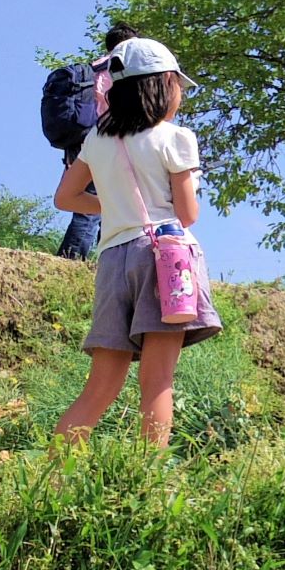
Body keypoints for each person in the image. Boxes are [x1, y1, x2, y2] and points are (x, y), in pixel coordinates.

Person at [49, 36, 219, 447]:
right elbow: (187, 213)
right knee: (157, 382)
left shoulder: (97, 140)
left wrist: (113, 204)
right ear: (161, 84)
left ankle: (52, 476)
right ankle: (149, 485)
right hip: (166, 257)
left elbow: (65, 198)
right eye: (178, 84)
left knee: (100, 386)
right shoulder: (177, 138)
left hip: (112, 260)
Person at [39, 23, 142, 261]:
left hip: (79, 142)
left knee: (98, 201)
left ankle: (104, 262)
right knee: (95, 204)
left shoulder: (92, 69)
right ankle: (71, 261)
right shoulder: (120, 72)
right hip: (105, 142)